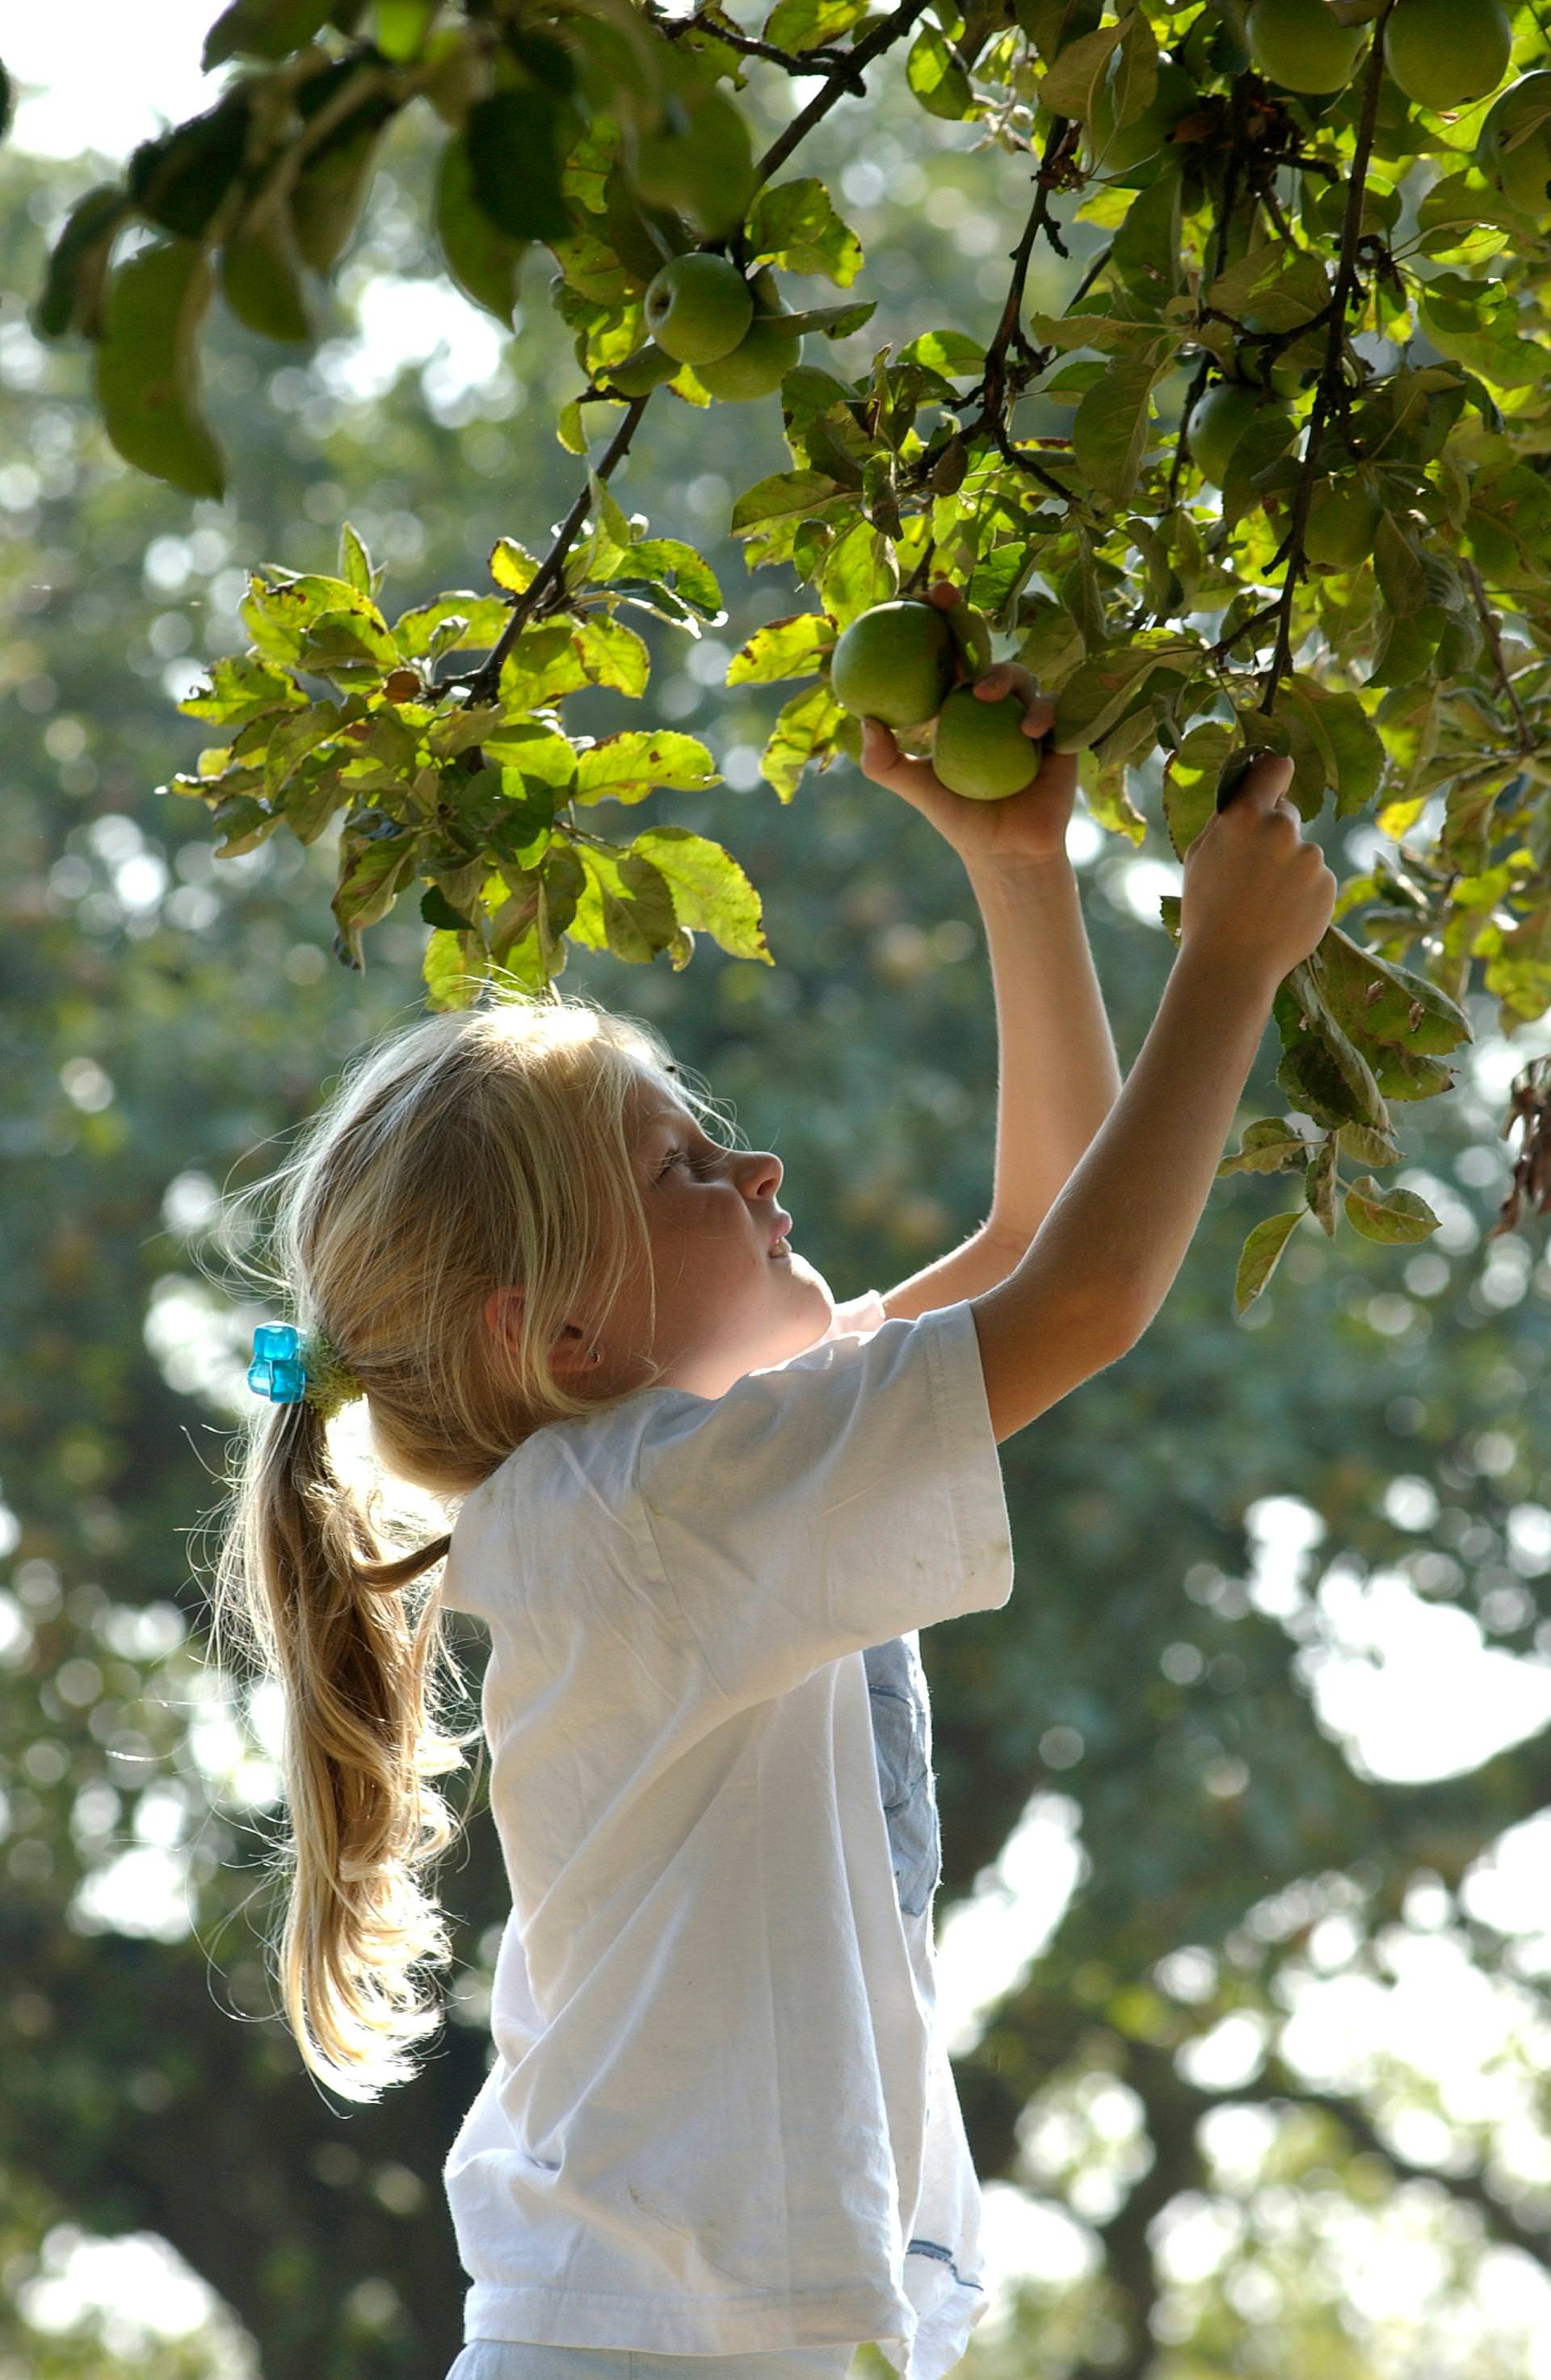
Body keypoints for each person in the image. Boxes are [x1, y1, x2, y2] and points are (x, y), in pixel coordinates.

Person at [205, 593, 1335, 2380]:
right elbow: (1090, 1295)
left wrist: (1021, 865)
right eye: (684, 1163)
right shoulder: (658, 1510)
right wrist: (1228, 967)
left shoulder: (672, 1488)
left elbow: (1043, 1234)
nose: (761, 1162)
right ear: (563, 1330)